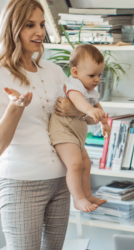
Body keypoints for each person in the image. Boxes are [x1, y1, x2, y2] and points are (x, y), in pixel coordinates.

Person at [0, 0, 95, 249]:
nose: (39, 32)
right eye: (30, 25)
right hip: (22, 183)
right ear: (13, 27)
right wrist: (14, 108)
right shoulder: (1, 74)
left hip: (61, 181)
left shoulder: (53, 70)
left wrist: (76, 109)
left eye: (42, 24)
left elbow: (80, 114)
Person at [49, 44, 109, 212]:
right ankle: (78, 198)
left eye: (99, 75)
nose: (97, 79)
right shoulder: (74, 85)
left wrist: (104, 123)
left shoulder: (90, 88)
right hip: (63, 131)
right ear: (75, 72)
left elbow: (97, 104)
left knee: (86, 164)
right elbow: (77, 101)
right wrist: (89, 110)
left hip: (76, 135)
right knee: (75, 165)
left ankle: (88, 194)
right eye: (92, 75)